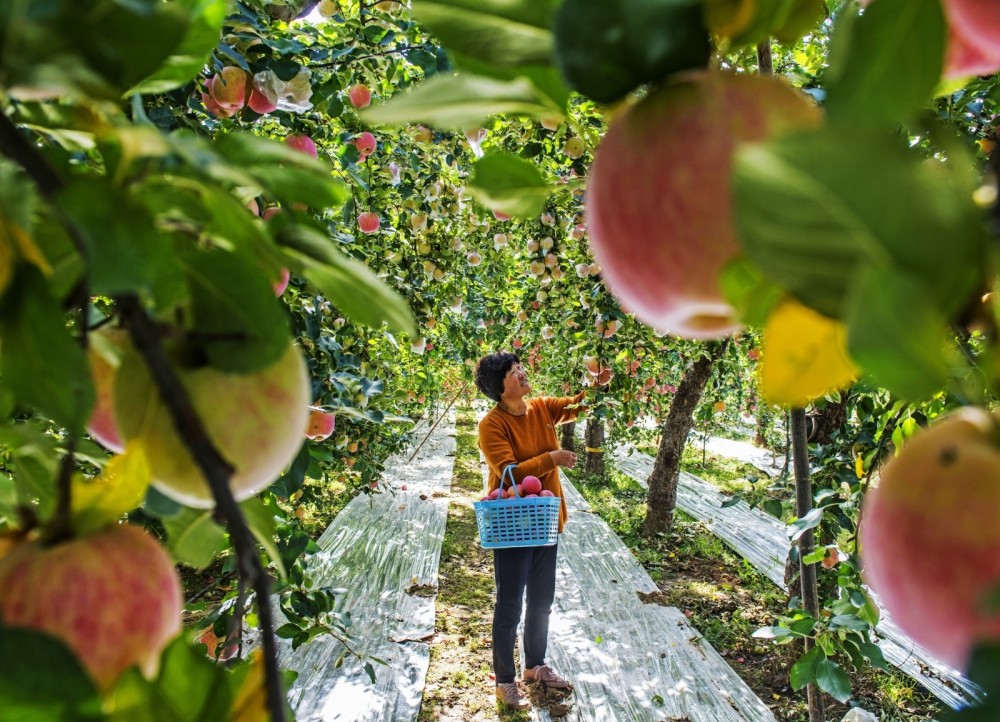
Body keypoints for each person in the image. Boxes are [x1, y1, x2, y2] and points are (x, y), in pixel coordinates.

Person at [474, 350, 586, 710]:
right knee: (510, 604)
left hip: (546, 519)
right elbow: (512, 471)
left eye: (521, 367)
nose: (522, 373)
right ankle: (505, 681)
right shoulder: (491, 425)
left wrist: (598, 380)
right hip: (513, 522)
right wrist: (551, 459)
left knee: (542, 600)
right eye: (513, 371)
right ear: (499, 387)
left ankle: (534, 666)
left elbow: (577, 405)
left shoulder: (540, 408)